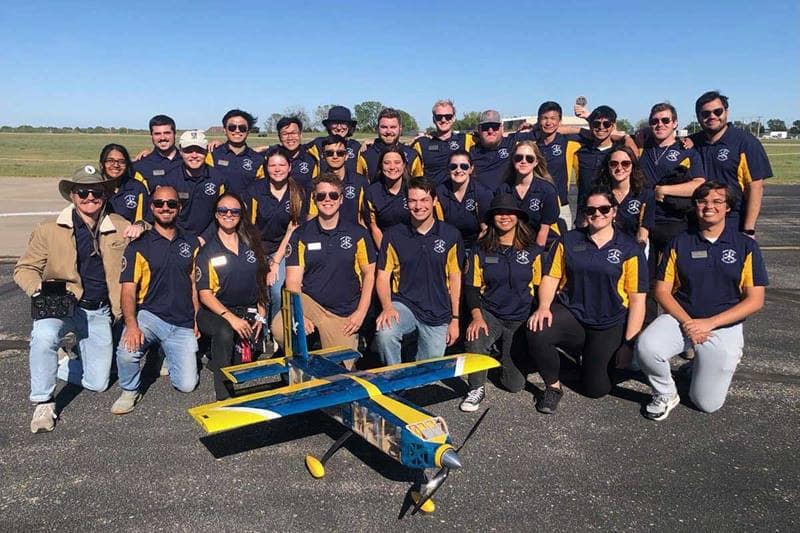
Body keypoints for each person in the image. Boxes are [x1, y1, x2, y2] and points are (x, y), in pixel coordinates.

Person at [15, 165, 143, 432]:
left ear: (104, 195)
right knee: (43, 337)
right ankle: (43, 401)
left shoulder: (120, 226)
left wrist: (143, 225)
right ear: (72, 195)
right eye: (82, 192)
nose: (89, 198)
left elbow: (152, 236)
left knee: (98, 383)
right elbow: (24, 269)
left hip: (99, 312)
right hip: (60, 306)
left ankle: (66, 359)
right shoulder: (48, 229)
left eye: (96, 192)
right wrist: (38, 289)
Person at [636, 181, 767, 420]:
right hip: (683, 319)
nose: (709, 206)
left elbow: (755, 300)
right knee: (646, 347)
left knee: (706, 403)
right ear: (695, 206)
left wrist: (709, 323)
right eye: (702, 201)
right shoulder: (680, 242)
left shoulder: (745, 246)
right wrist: (689, 323)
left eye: (717, 201)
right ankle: (666, 393)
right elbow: (662, 291)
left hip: (722, 326)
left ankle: (705, 364)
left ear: (728, 207)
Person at [526, 187, 647, 414]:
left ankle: (593, 357)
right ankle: (553, 386)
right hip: (574, 314)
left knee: (596, 389)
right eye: (591, 209)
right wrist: (543, 307)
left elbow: (637, 300)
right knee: (537, 329)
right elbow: (551, 277)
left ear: (614, 212)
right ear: (584, 213)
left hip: (608, 323)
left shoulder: (629, 248)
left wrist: (629, 344)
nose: (597, 214)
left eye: (604, 209)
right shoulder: (569, 240)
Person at [112, 186, 201, 414]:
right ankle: (130, 390)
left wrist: (196, 319)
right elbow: (128, 290)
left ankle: (162, 352)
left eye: (171, 204)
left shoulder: (190, 243)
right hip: (150, 316)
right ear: (152, 207)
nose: (165, 208)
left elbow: (194, 284)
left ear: (178, 208)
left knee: (187, 385)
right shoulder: (139, 245)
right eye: (160, 203)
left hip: (181, 320)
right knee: (127, 351)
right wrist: (131, 325)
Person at [272, 173, 376, 366]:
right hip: (310, 302)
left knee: (341, 371)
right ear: (314, 199)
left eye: (333, 195)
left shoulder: (358, 234)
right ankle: (299, 366)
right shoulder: (301, 234)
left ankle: (322, 345)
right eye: (321, 196)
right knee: (279, 328)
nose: (327, 200)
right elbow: (293, 281)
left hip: (342, 311)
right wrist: (299, 314)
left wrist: (360, 313)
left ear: (341, 199)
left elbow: (370, 275)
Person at [460, 194, 545, 412]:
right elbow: (471, 287)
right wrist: (477, 316)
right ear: (492, 218)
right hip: (491, 313)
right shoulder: (481, 249)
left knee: (514, 385)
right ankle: (476, 387)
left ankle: (505, 355)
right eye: (499, 212)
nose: (504, 216)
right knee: (475, 333)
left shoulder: (533, 250)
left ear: (518, 217)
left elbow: (540, 288)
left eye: (509, 212)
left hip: (520, 317)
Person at [375, 177, 464, 365]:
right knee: (385, 332)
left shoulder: (450, 235)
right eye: (413, 201)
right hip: (404, 304)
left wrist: (455, 319)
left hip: (437, 311)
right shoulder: (393, 235)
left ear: (434, 201)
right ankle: (394, 379)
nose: (418, 206)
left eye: (424, 200)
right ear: (407, 204)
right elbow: (382, 276)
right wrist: (387, 307)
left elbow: (455, 278)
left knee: (428, 372)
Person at [196, 193, 268, 400]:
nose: (229, 214)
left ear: (241, 215)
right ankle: (224, 396)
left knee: (242, 370)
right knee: (225, 332)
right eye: (223, 210)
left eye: (234, 211)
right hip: (216, 312)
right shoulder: (207, 251)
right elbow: (205, 294)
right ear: (216, 215)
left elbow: (261, 281)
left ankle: (216, 360)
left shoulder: (251, 245)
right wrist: (232, 318)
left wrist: (261, 314)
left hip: (247, 309)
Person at [689, 91, 772, 234]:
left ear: (726, 112)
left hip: (732, 219)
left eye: (717, 111)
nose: (712, 116)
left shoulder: (745, 142)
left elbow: (755, 188)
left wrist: (749, 229)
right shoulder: (692, 142)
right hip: (698, 217)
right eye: (706, 114)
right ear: (698, 117)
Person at [245, 147, 308, 321]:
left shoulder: (298, 193)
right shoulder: (255, 191)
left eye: (282, 165)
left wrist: (275, 262)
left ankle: (276, 329)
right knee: (258, 286)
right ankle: (259, 330)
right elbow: (249, 229)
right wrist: (261, 262)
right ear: (266, 168)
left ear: (289, 167)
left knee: (276, 287)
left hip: (283, 249)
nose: (277, 169)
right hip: (255, 248)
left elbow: (293, 230)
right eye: (273, 165)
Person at [638, 102, 705, 264]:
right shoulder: (641, 145)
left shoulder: (687, 151)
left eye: (665, 120)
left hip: (675, 222)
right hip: (644, 222)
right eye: (654, 121)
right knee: (645, 279)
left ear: (675, 123)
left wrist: (665, 190)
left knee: (675, 276)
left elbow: (699, 184)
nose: (660, 124)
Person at [530, 101, 582, 229]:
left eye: (553, 118)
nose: (549, 123)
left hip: (561, 206)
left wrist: (626, 138)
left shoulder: (568, 142)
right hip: (534, 203)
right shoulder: (531, 143)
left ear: (560, 121)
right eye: (545, 118)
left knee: (562, 245)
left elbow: (595, 134)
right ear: (538, 120)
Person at [499, 141, 561, 247]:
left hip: (542, 245)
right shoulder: (503, 189)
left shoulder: (547, 190)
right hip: (511, 245)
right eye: (519, 157)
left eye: (529, 158)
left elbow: (544, 230)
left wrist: (535, 256)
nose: (523, 161)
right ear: (513, 160)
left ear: (536, 162)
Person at [572, 106, 629, 214]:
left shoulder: (619, 152)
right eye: (596, 124)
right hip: (585, 212)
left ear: (613, 126)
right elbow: (558, 130)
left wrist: (625, 137)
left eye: (606, 124)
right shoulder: (581, 150)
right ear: (590, 125)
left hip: (613, 212)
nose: (601, 127)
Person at [433, 150, 493, 253]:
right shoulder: (439, 193)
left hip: (476, 245)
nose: (458, 170)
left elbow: (485, 229)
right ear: (448, 169)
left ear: (471, 169)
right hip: (448, 245)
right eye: (453, 166)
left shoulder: (482, 193)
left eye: (464, 166)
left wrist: (474, 254)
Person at [307, 135, 369, 226]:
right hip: (324, 236)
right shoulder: (314, 184)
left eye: (340, 153)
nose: (335, 156)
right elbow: (311, 217)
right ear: (323, 157)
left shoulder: (360, 182)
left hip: (352, 236)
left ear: (347, 156)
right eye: (329, 153)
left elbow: (364, 218)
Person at [598, 146, 654, 246]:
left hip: (632, 250)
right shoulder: (598, 194)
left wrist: (636, 254)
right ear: (607, 166)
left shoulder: (645, 195)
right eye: (613, 164)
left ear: (633, 166)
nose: (619, 168)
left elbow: (643, 234)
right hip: (603, 250)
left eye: (625, 163)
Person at [412, 99, 473, 185]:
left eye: (448, 116)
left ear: (454, 118)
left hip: (458, 196)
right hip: (433, 196)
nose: (443, 120)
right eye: (439, 117)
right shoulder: (421, 144)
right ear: (433, 119)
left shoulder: (466, 140)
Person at [206, 109, 265, 196]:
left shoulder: (258, 159)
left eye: (242, 128)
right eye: (232, 127)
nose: (237, 131)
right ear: (225, 130)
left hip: (247, 209)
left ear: (248, 131)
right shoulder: (212, 154)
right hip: (218, 208)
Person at [357, 107, 423, 183]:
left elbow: (419, 186)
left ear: (400, 129)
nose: (388, 131)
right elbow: (359, 186)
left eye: (393, 127)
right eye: (384, 127)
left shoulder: (412, 155)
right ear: (377, 128)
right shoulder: (365, 155)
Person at [364, 146, 410, 249]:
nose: (392, 167)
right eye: (387, 163)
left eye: (397, 162)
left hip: (413, 245)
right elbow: (374, 227)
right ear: (381, 166)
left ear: (404, 165)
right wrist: (386, 255)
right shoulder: (372, 192)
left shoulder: (413, 189)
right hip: (384, 246)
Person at [306, 106, 362, 174]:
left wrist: (375, 141)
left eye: (343, 123)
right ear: (329, 125)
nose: (339, 127)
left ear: (349, 126)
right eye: (335, 123)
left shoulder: (356, 146)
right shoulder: (318, 143)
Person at [102, 143, 149, 223]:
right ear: (102, 164)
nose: (116, 165)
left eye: (121, 162)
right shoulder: (95, 187)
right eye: (110, 161)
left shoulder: (137, 188)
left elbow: (142, 220)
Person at [132, 114, 183, 185]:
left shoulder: (188, 161)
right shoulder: (140, 166)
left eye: (167, 133)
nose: (162, 138)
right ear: (151, 136)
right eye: (157, 134)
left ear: (174, 134)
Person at [275, 116, 319, 192]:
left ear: (301, 134)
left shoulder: (312, 157)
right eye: (285, 134)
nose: (290, 138)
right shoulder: (271, 158)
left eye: (294, 133)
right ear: (279, 137)